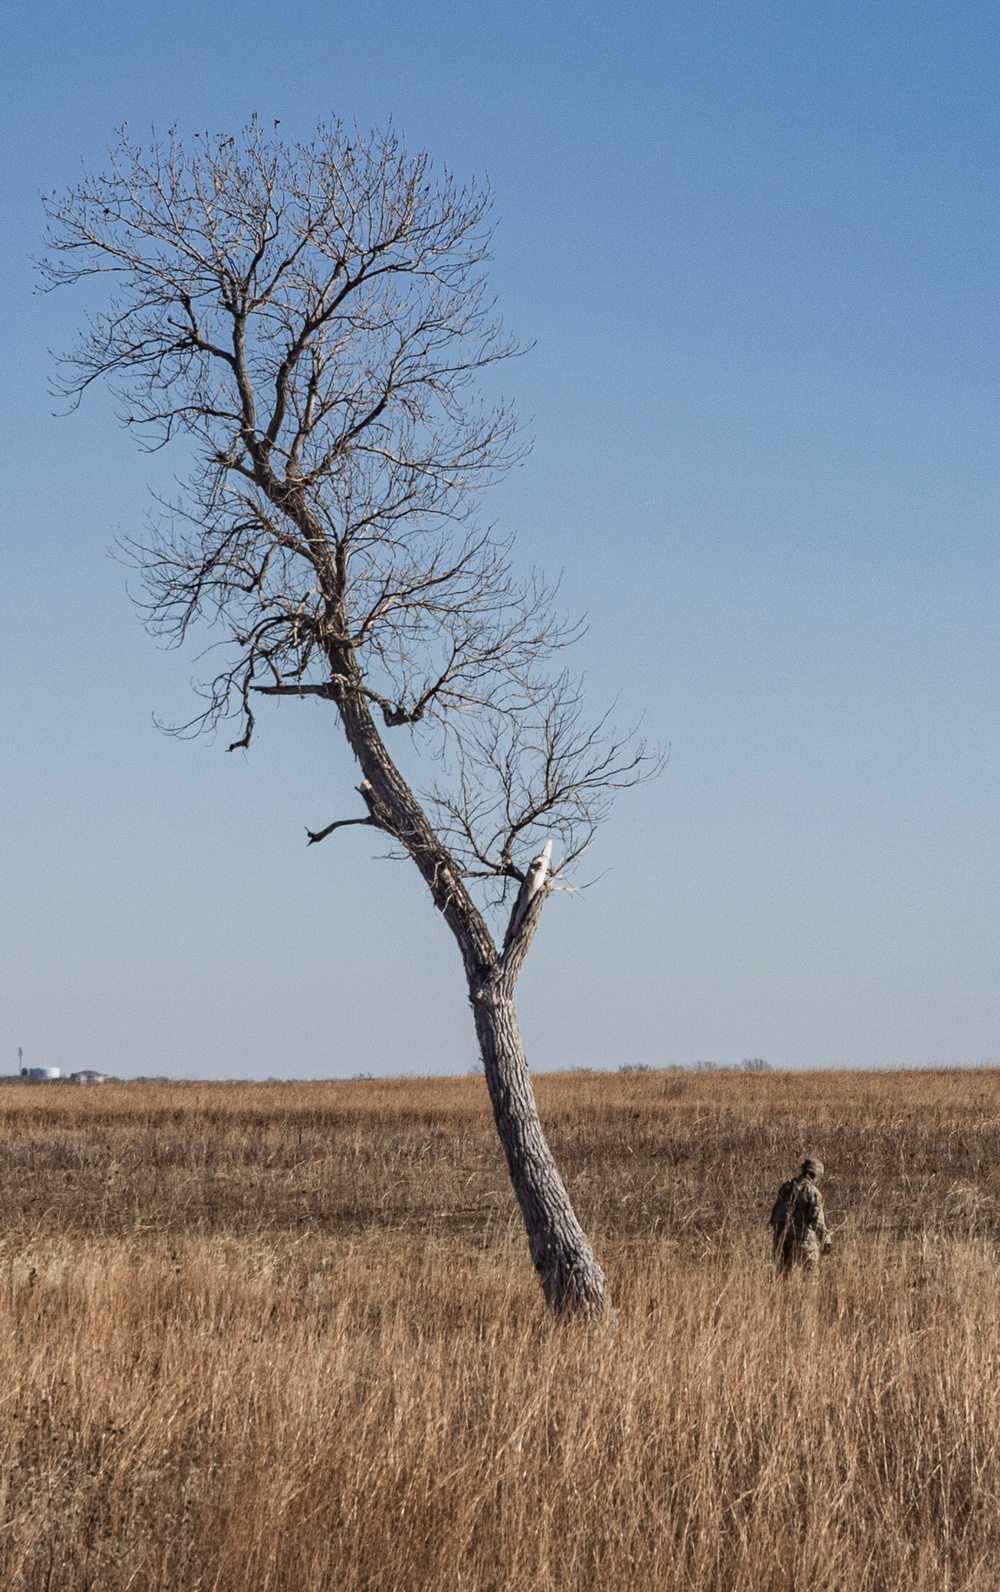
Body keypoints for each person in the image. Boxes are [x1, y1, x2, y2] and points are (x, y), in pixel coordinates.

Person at [769, 1157, 832, 1274]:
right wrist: (826, 1240)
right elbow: (817, 1219)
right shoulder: (812, 1191)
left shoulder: (786, 1187)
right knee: (811, 1277)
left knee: (781, 1277)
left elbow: (774, 1215)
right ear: (816, 1174)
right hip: (803, 1240)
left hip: (781, 1238)